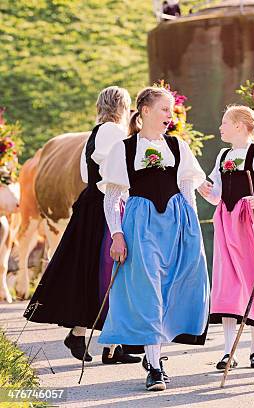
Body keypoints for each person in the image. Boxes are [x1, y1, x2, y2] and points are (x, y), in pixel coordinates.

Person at [97, 86, 209, 391]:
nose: (169, 117)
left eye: (171, 111)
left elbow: (187, 189)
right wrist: (117, 234)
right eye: (164, 110)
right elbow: (112, 198)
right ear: (145, 111)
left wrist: (192, 228)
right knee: (147, 291)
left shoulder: (177, 146)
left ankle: (155, 352)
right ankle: (155, 367)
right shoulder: (123, 148)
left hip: (175, 221)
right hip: (140, 222)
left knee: (172, 285)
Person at [24, 86, 140, 365]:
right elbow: (116, 170)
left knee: (99, 272)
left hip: (91, 202)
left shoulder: (94, 134)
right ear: (122, 108)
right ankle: (106, 342)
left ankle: (95, 338)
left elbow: (86, 172)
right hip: (105, 203)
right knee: (110, 272)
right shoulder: (113, 132)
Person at [197, 105, 254, 371]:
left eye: (224, 122)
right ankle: (229, 350)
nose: (220, 128)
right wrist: (204, 189)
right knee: (227, 284)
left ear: (239, 126)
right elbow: (216, 194)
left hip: (250, 224)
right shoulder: (223, 155)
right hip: (226, 223)